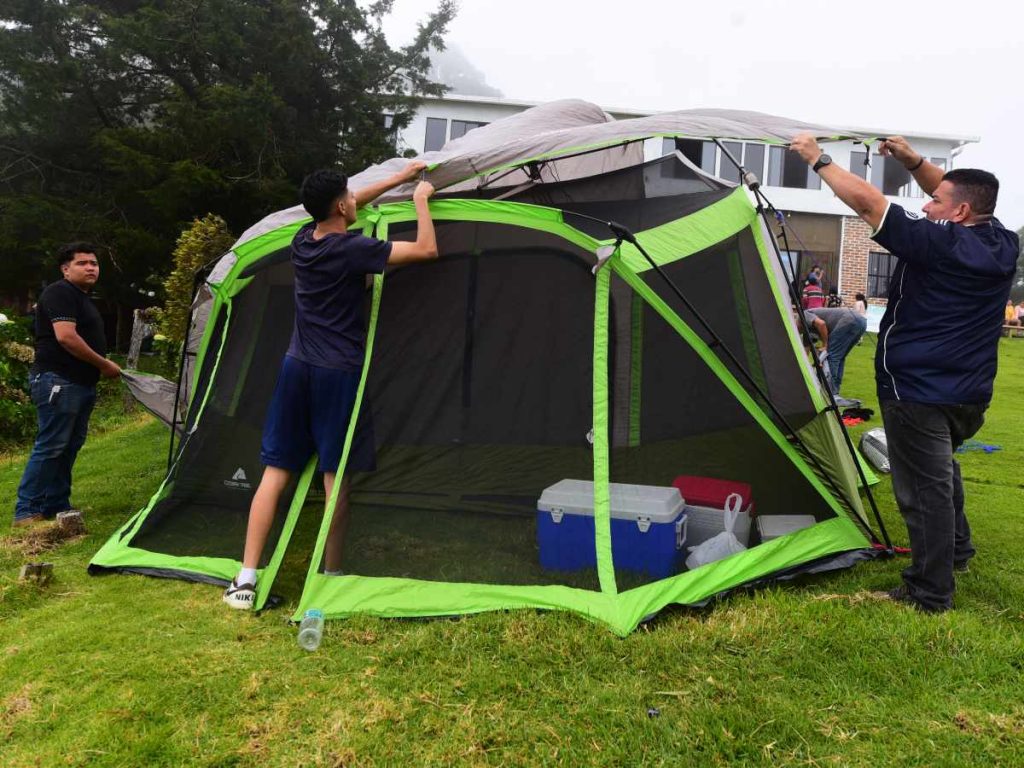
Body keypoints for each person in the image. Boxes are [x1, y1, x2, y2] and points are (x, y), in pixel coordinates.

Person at [790, 132, 1019, 613]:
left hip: (917, 390)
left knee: (922, 489)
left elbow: (869, 202)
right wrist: (914, 161)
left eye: (934, 201)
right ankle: (957, 551)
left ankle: (929, 592)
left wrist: (819, 159)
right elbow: (957, 194)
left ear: (957, 213)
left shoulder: (938, 242)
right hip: (968, 394)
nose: (926, 204)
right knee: (942, 472)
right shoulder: (1000, 241)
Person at [223, 162, 438, 609]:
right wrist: (420, 199)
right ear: (341, 205)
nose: (357, 199)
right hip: (336, 373)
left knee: (276, 471)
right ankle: (332, 572)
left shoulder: (303, 240)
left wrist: (402, 175)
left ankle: (244, 579)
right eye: (350, 196)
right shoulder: (351, 249)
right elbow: (425, 251)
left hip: (295, 366)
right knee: (335, 476)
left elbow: (352, 199)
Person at [14, 243, 122, 527]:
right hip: (58, 380)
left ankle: (56, 504)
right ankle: (26, 511)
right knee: (52, 446)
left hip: (79, 383)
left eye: (94, 263)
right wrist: (104, 364)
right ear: (65, 269)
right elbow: (66, 337)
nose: (91, 268)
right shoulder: (60, 292)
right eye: (82, 263)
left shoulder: (82, 297)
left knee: (69, 446)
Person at [807, 307, 867, 403]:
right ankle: (835, 392)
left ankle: (832, 393)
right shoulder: (807, 330)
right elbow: (805, 351)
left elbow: (821, 324)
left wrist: (825, 345)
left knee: (832, 356)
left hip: (848, 320)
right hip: (861, 322)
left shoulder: (805, 314)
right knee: (840, 357)